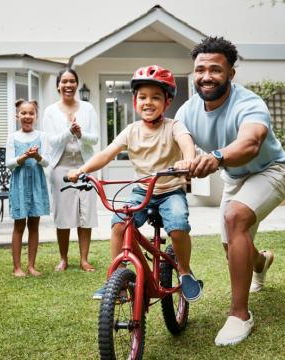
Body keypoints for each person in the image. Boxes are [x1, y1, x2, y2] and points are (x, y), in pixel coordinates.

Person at [175, 36, 285, 345]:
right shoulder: (189, 109)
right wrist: (188, 160)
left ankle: (240, 315)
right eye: (200, 69)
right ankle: (261, 261)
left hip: (270, 170)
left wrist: (216, 157)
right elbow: (181, 135)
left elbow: (250, 144)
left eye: (215, 69)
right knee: (232, 250)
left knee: (234, 218)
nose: (206, 76)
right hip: (235, 177)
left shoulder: (249, 102)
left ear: (230, 74)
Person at [68, 65, 203, 303]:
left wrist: (188, 160)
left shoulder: (173, 126)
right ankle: (116, 280)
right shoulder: (131, 131)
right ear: (135, 102)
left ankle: (184, 271)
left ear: (167, 102)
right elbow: (107, 153)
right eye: (142, 97)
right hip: (142, 190)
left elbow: (185, 141)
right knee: (119, 223)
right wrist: (81, 170)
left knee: (178, 224)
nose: (148, 102)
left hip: (170, 191)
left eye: (155, 97)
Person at [43, 68, 99, 272]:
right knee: (63, 214)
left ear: (76, 84)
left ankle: (84, 259)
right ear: (58, 85)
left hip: (85, 166)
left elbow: (95, 139)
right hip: (61, 167)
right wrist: (69, 132)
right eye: (64, 81)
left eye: (72, 81)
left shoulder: (88, 108)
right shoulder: (50, 111)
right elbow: (51, 141)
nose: (68, 85)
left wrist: (81, 134)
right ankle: (63, 258)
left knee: (85, 212)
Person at [6, 99, 50, 277]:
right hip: (19, 185)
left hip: (36, 185)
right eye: (23, 113)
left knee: (34, 225)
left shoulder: (42, 136)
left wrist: (37, 156)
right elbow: (9, 164)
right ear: (18, 116)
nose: (27, 116)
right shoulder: (12, 137)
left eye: (31, 113)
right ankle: (17, 267)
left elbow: (47, 162)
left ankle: (31, 266)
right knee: (19, 225)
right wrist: (23, 157)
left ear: (36, 116)